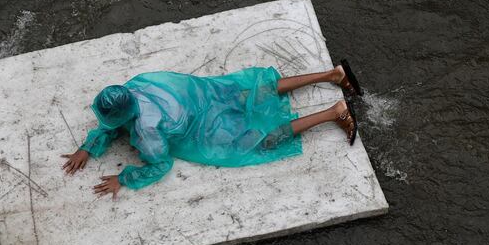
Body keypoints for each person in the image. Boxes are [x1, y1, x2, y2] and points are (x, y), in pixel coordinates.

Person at [61, 61, 362, 198]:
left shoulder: (146, 131)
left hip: (203, 130)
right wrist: (88, 146)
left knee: (260, 141)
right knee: (250, 93)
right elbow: (113, 120)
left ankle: (333, 112)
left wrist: (124, 179)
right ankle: (332, 74)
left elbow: (160, 163)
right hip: (203, 96)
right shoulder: (135, 86)